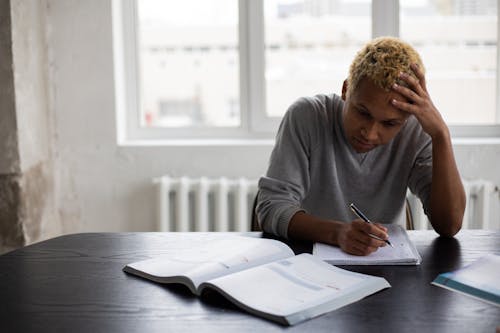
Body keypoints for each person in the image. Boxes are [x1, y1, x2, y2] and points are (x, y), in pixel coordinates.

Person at [256, 36, 466, 256]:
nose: (370, 132)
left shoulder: (416, 131)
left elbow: (449, 226)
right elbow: (272, 208)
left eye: (390, 123)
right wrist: (338, 233)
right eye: (362, 112)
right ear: (346, 89)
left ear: (406, 117)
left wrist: (441, 135)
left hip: (385, 264)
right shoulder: (307, 116)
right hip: (309, 263)